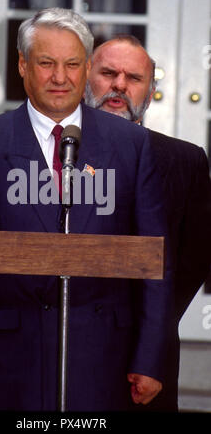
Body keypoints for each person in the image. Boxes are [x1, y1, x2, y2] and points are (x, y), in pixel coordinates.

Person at [0, 9, 173, 412]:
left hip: (104, 362)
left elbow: (155, 264)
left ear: (86, 67)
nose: (60, 77)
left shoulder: (131, 146)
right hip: (6, 363)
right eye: (46, 63)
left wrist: (151, 359)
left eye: (73, 64)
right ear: (23, 66)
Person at [85, 34, 211, 411]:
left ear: (150, 91)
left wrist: (150, 328)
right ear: (85, 79)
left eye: (133, 78)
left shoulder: (186, 162)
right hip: (56, 346)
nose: (119, 85)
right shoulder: (50, 155)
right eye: (108, 73)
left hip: (146, 355)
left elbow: (194, 259)